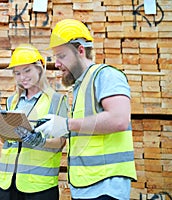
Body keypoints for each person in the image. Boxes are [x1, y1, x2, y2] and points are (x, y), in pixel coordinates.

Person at [34, 19, 137, 200]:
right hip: (86, 187)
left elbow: (119, 119)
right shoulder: (80, 87)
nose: (56, 64)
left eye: (61, 56)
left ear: (80, 51)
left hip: (106, 187)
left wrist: (66, 124)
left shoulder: (106, 75)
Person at [0, 43, 69, 200]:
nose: (23, 77)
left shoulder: (56, 100)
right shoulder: (11, 101)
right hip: (6, 183)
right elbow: (6, 142)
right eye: (17, 73)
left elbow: (61, 142)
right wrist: (2, 128)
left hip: (38, 186)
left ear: (40, 68)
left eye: (27, 70)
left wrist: (39, 141)